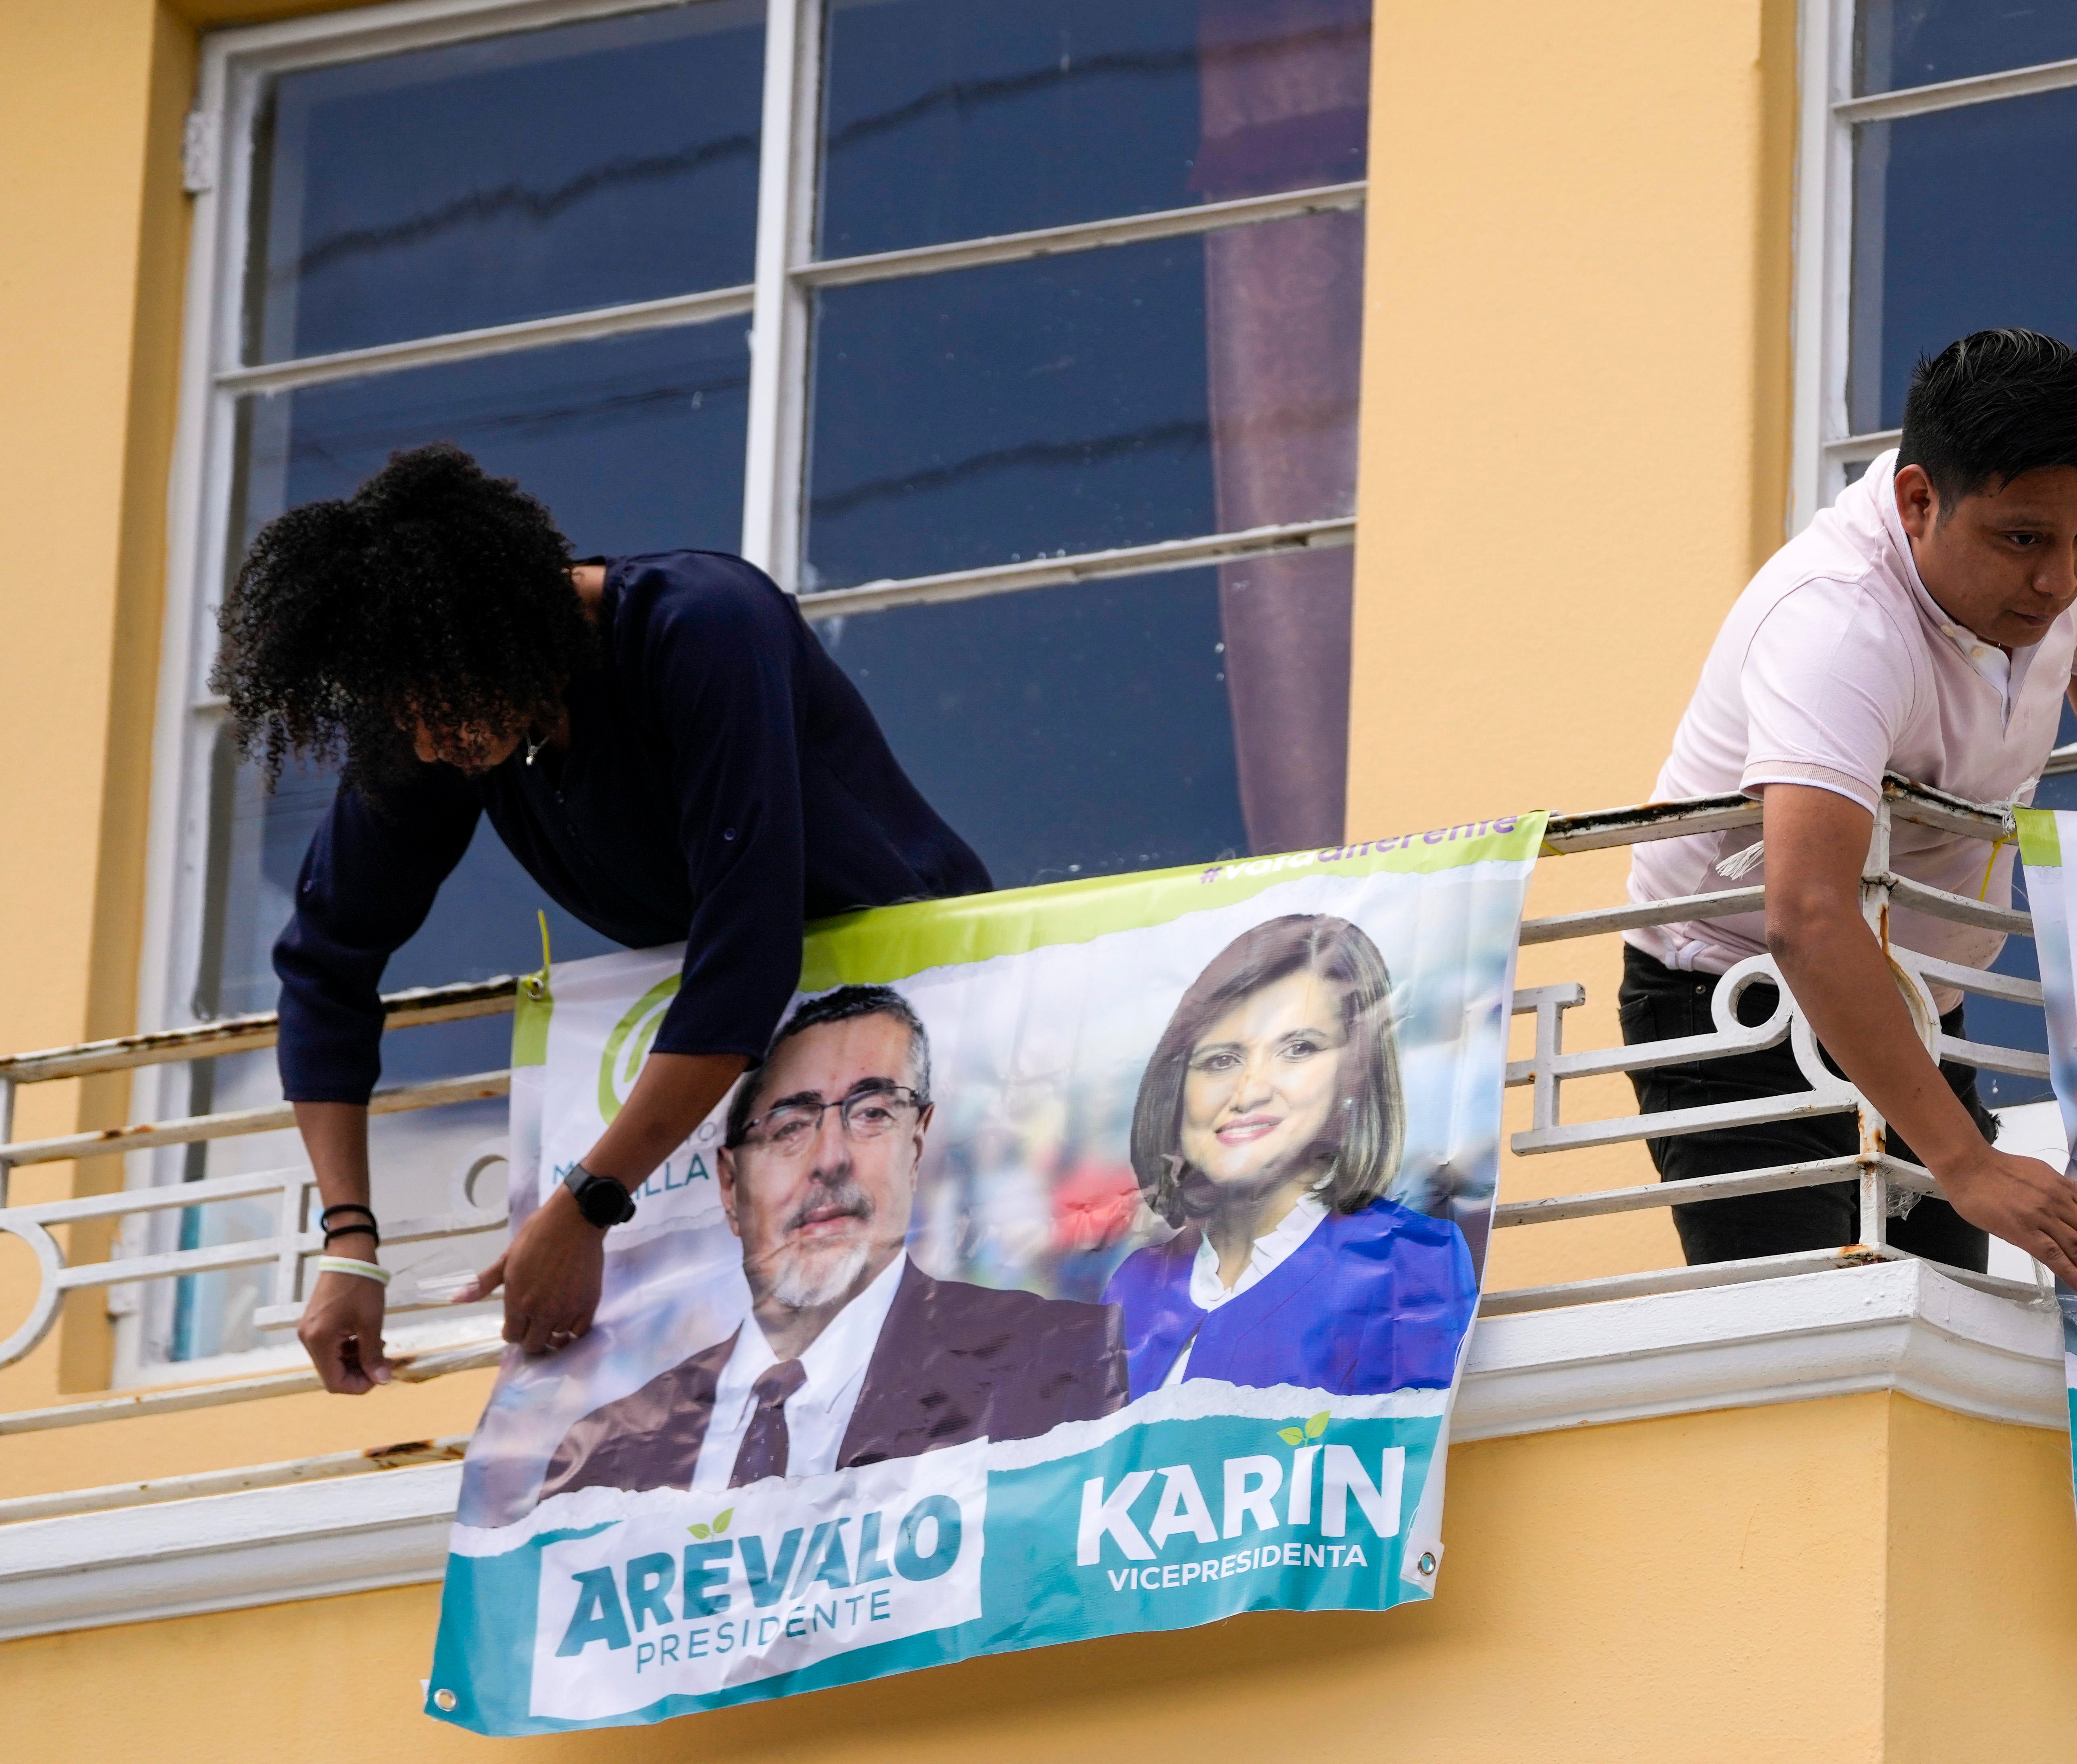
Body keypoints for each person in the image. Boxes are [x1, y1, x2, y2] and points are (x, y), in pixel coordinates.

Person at [210, 445, 994, 1395]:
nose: (424, 742)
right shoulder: (446, 719)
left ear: (498, 630)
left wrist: (586, 1200)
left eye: (433, 705)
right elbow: (324, 968)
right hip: (754, 1091)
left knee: (954, 1389)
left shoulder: (703, 624)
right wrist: (349, 1243)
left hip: (944, 1045)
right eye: (397, 713)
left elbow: (745, 951)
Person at [1623, 330, 2077, 1300]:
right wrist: (1966, 1165)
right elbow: (1807, 913)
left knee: (1946, 1328)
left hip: (1915, 994)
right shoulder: (1834, 621)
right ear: (1920, 500)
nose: (2061, 578)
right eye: (2024, 540)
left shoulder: (2057, 517)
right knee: (1810, 1345)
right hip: (1736, 1002)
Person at [540, 986, 1122, 1497]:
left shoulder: (1059, 1360)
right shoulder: (604, 1457)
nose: (831, 1159)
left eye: (871, 1114)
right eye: (790, 1127)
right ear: (729, 1184)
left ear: (916, 1147)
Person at [1104, 914, 1477, 1396]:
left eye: (1299, 1049)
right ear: (1176, 1088)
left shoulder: (1410, 1261)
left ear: (1355, 1077)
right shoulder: (1135, 1285)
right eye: (1222, 1060)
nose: (1249, 1091)